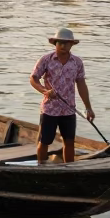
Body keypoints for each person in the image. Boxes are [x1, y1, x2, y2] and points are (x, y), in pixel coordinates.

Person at [29, 27, 95, 164]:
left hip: (69, 109)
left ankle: (69, 168)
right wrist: (44, 91)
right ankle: (41, 167)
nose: (63, 46)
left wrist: (88, 108)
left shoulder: (77, 62)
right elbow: (33, 78)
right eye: (60, 43)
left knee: (69, 141)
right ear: (55, 44)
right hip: (50, 109)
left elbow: (81, 85)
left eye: (66, 43)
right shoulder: (46, 60)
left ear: (72, 44)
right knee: (45, 141)